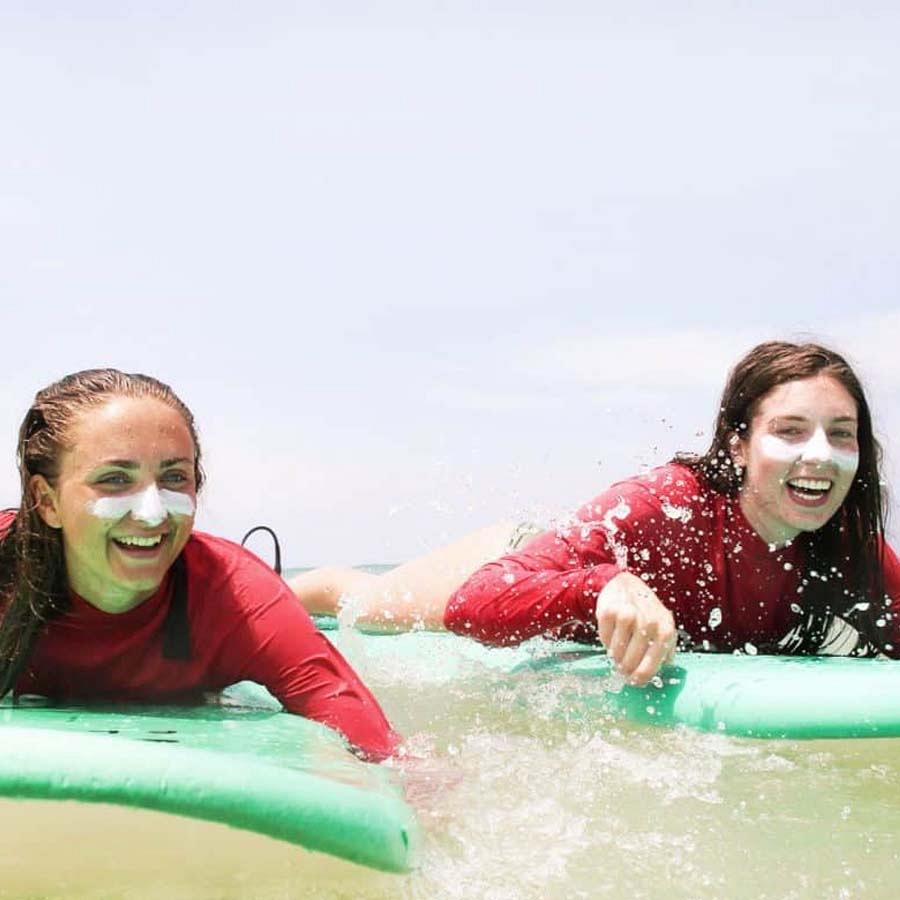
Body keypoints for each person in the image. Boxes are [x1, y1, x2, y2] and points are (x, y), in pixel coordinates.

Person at [290, 341, 900, 686]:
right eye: (789, 430)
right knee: (364, 604)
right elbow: (474, 603)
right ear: (739, 446)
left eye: (840, 433)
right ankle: (269, 596)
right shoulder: (670, 505)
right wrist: (602, 585)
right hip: (524, 561)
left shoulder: (848, 546)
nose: (820, 455)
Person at [0, 369, 399, 761]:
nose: (153, 515)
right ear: (46, 501)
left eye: (175, 478)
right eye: (115, 480)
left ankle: (320, 588)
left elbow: (380, 753)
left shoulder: (238, 599)